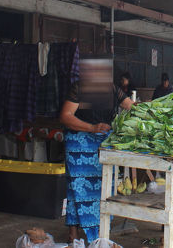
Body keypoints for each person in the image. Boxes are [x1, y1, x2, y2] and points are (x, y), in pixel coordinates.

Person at [60, 82, 133, 243]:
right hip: (80, 143)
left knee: (104, 189)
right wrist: (92, 128)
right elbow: (66, 116)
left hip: (103, 143)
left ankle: (99, 235)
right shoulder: (79, 88)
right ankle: (74, 234)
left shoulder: (112, 89)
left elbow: (132, 107)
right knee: (77, 189)